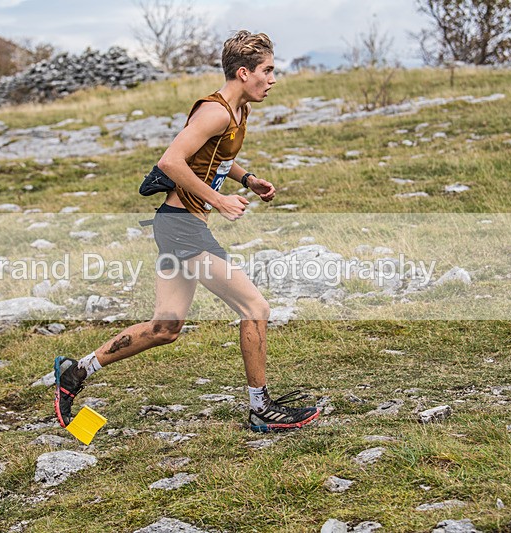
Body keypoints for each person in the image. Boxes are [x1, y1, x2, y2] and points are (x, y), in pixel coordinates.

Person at [54, 31, 320, 433]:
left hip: (176, 226)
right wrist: (219, 201)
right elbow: (171, 161)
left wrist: (248, 179)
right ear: (244, 73)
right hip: (182, 230)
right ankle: (260, 408)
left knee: (165, 328)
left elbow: (212, 158)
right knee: (255, 309)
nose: (273, 79)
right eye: (268, 70)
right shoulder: (215, 112)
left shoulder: (236, 110)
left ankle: (77, 371)